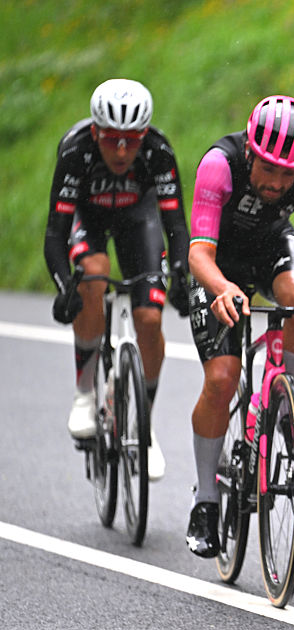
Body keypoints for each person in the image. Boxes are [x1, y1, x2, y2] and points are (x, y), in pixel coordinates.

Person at [185, 95, 294, 558]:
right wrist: (223, 288)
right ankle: (206, 500)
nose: (279, 182)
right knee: (222, 377)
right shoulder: (218, 165)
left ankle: (286, 406)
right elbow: (198, 253)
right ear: (250, 152)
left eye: (290, 175)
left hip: (269, 248)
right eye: (270, 170)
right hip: (217, 262)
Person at [44, 78, 190, 482]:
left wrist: (180, 274)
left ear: (144, 134)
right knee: (92, 276)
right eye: (112, 140)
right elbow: (55, 233)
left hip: (137, 220)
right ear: (95, 132)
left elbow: (176, 225)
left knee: (149, 318)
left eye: (132, 139)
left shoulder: (158, 151)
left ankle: (143, 427)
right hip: (86, 220)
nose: (123, 150)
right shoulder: (76, 151)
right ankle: (85, 392)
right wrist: (63, 287)